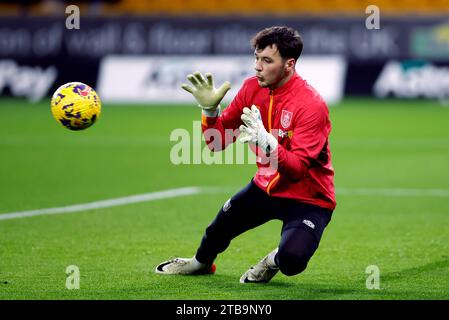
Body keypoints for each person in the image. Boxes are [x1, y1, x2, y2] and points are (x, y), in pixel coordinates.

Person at [155, 26, 336, 283]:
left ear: (289, 64)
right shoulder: (252, 89)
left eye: (266, 60)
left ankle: (272, 260)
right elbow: (217, 142)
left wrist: (267, 142)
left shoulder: (311, 105)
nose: (257, 67)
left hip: (309, 198)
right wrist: (209, 111)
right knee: (217, 230)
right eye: (256, 58)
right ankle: (199, 264)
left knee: (293, 260)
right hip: (264, 187)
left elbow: (297, 170)